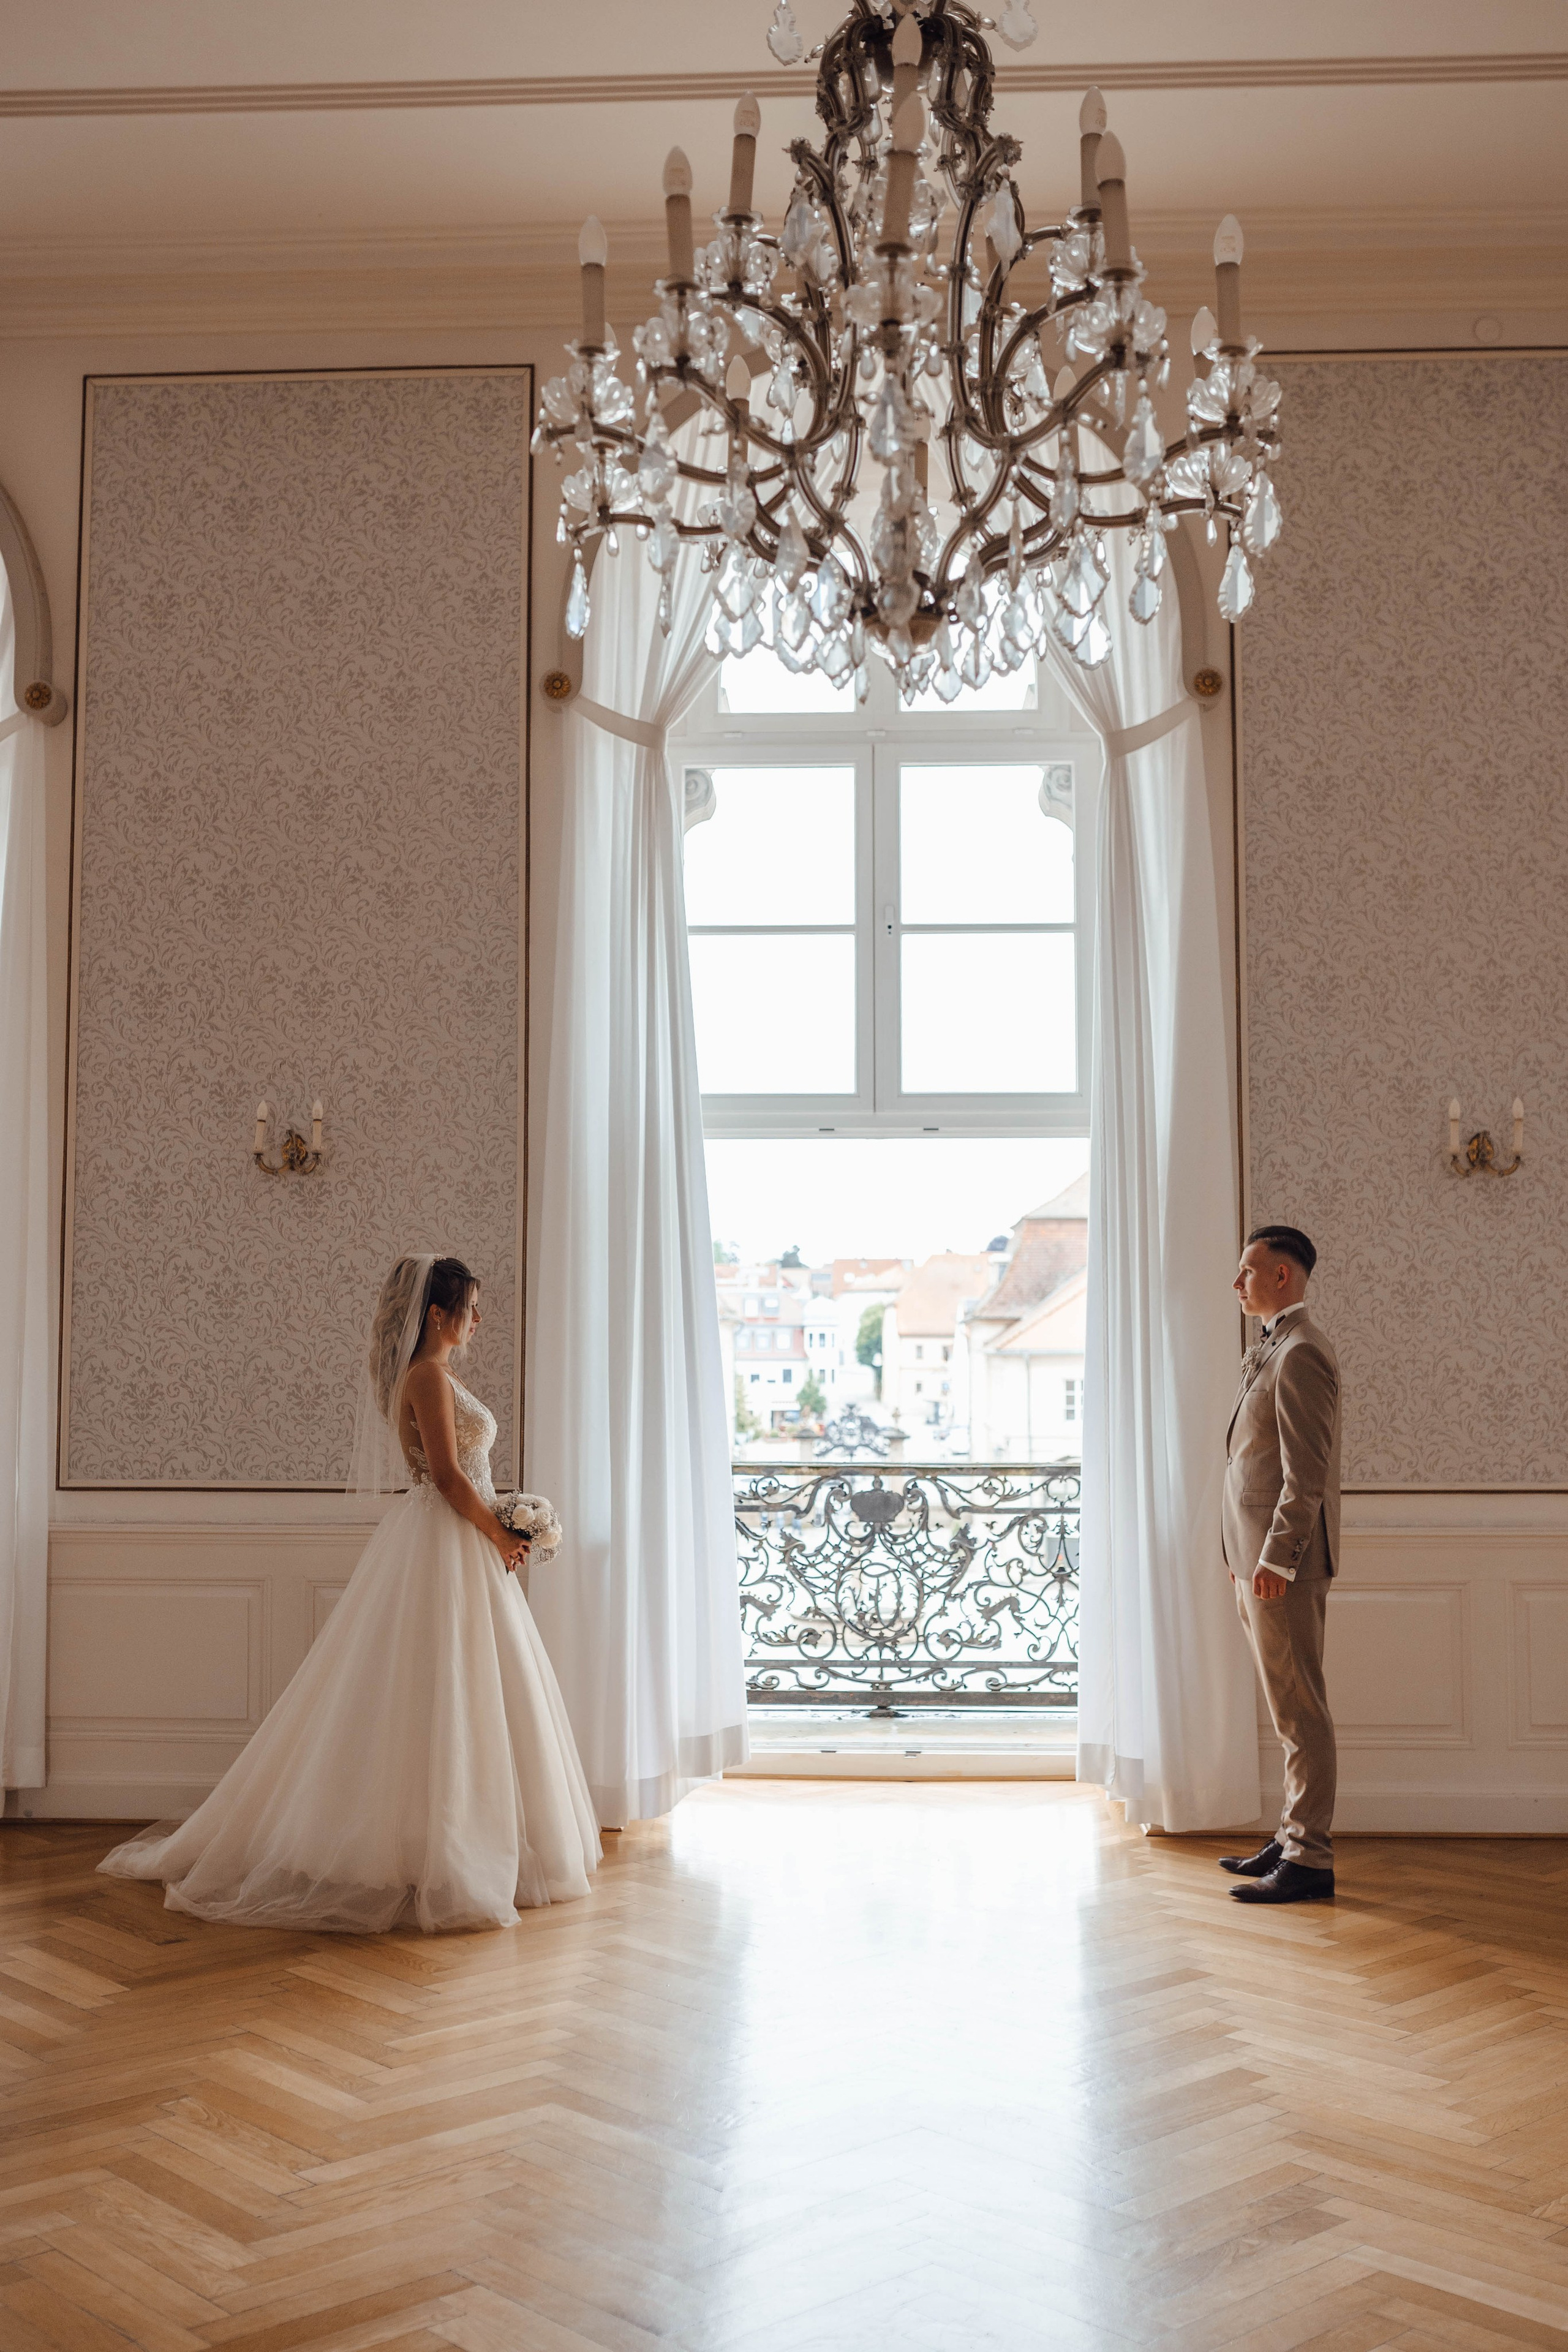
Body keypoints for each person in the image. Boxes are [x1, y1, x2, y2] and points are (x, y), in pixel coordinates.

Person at [99, 1254, 600, 1932]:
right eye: (471, 1308)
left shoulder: (440, 1374)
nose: (479, 1319)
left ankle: (454, 1842)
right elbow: (448, 1477)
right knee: (441, 1687)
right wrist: (498, 1532)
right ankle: (435, 1852)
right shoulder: (426, 1376)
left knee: (464, 1686)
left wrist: (502, 1521)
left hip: (459, 1539)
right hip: (450, 1538)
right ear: (437, 1314)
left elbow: (464, 1475)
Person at [1219, 1224, 1340, 1906]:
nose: (1237, 1282)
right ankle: (1290, 1836)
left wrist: (1276, 1560)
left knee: (1301, 1711)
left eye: (1247, 1271)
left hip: (1280, 1565)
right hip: (1253, 1559)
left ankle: (1309, 1859)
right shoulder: (1273, 1345)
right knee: (1284, 1708)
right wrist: (1240, 1557)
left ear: (1281, 1276)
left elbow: (1306, 1476)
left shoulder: (1301, 1354)